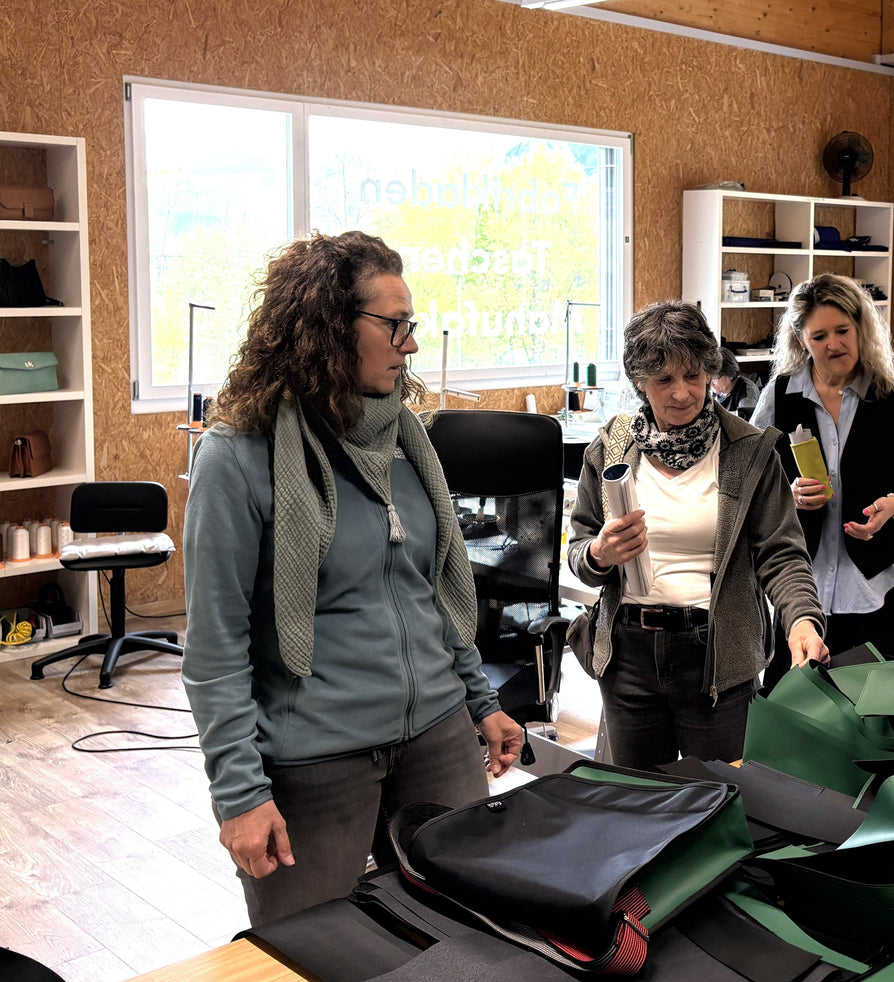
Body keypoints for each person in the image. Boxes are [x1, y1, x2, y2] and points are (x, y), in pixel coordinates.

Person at [182, 231, 523, 928]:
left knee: (472, 946)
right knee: (315, 971)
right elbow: (214, 648)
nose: (411, 344)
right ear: (328, 329)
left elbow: (428, 592)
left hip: (436, 735)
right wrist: (240, 792)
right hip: (316, 762)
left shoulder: (405, 437)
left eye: (412, 325)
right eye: (395, 325)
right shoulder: (238, 455)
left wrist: (480, 700)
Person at [568, 301, 827, 769]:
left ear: (710, 370)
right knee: (642, 807)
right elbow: (581, 552)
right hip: (628, 659)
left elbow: (782, 554)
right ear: (639, 383)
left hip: (719, 658)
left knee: (724, 806)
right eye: (664, 380)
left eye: (693, 375)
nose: (683, 393)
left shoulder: (749, 450)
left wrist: (802, 620)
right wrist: (600, 553)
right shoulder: (611, 446)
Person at [753, 274, 894, 677]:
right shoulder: (779, 395)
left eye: (843, 331)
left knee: (884, 717)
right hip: (803, 591)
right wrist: (787, 494)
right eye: (819, 335)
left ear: (862, 329)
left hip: (886, 584)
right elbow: (752, 477)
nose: (834, 344)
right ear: (800, 340)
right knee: (801, 713)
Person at [710, 347, 760, 421]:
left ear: (730, 374)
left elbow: (745, 424)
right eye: (709, 377)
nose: (711, 384)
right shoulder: (712, 390)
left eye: (715, 378)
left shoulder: (747, 392)